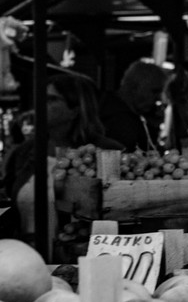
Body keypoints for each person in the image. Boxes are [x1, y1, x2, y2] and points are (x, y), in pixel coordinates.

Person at [2, 73, 124, 236]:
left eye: (52, 99)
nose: (41, 105)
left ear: (75, 109)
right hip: (27, 254)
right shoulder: (24, 153)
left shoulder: (105, 153)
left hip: (79, 252)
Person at [99, 59, 170, 152]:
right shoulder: (119, 119)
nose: (158, 98)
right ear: (135, 88)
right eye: (154, 91)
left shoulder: (116, 108)